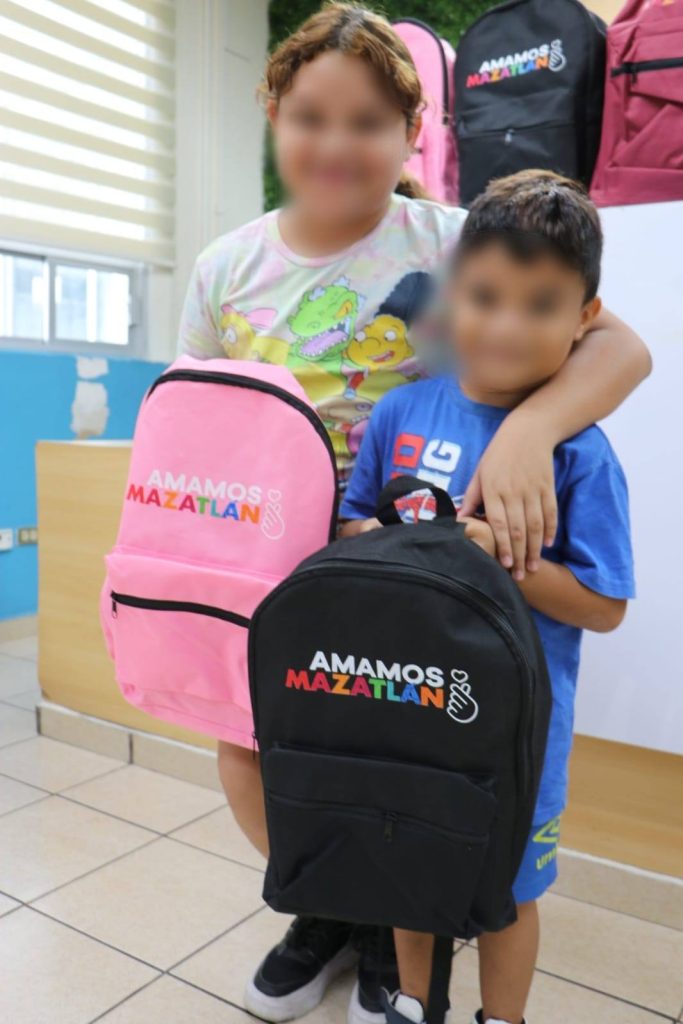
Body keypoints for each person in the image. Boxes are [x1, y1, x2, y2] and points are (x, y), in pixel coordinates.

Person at [176, 5, 649, 1021]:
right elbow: (193, 415)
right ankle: (332, 903)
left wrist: (529, 431)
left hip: (431, 592)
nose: (337, 144)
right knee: (262, 753)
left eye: (368, 122)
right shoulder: (224, 268)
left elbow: (616, 345)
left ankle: (394, 923)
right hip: (289, 564)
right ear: (273, 114)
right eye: (310, 117)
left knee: (407, 762)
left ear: (411, 131)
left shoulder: (454, 238)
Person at [339, 169, 636, 1024]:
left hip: (516, 735)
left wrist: (500, 561)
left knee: (507, 894)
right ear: (451, 295)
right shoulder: (400, 413)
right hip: (403, 707)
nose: (505, 326)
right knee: (408, 873)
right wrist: (390, 539)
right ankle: (407, 1004)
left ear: (583, 318)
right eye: (484, 297)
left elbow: (603, 606)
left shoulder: (578, 452)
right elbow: (352, 525)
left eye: (539, 305)